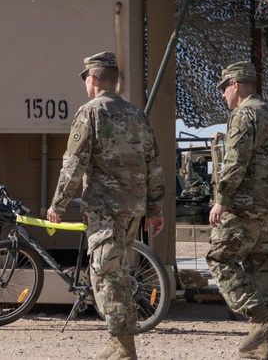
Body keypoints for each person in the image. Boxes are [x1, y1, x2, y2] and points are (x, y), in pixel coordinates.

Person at [45, 51, 165, 360]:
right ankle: (118, 340)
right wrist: (155, 209)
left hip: (105, 210)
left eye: (86, 77)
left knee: (106, 275)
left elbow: (73, 164)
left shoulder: (90, 113)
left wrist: (57, 203)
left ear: (94, 79)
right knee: (119, 272)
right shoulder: (137, 115)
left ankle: (124, 347)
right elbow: (153, 165)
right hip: (132, 210)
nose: (85, 83)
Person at [206, 61, 268, 360]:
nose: (222, 95)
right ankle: (262, 347)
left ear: (236, 85)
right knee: (259, 266)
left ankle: (260, 316)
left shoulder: (243, 114)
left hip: (246, 206)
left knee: (220, 259)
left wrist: (222, 199)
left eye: (224, 88)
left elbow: (235, 162)